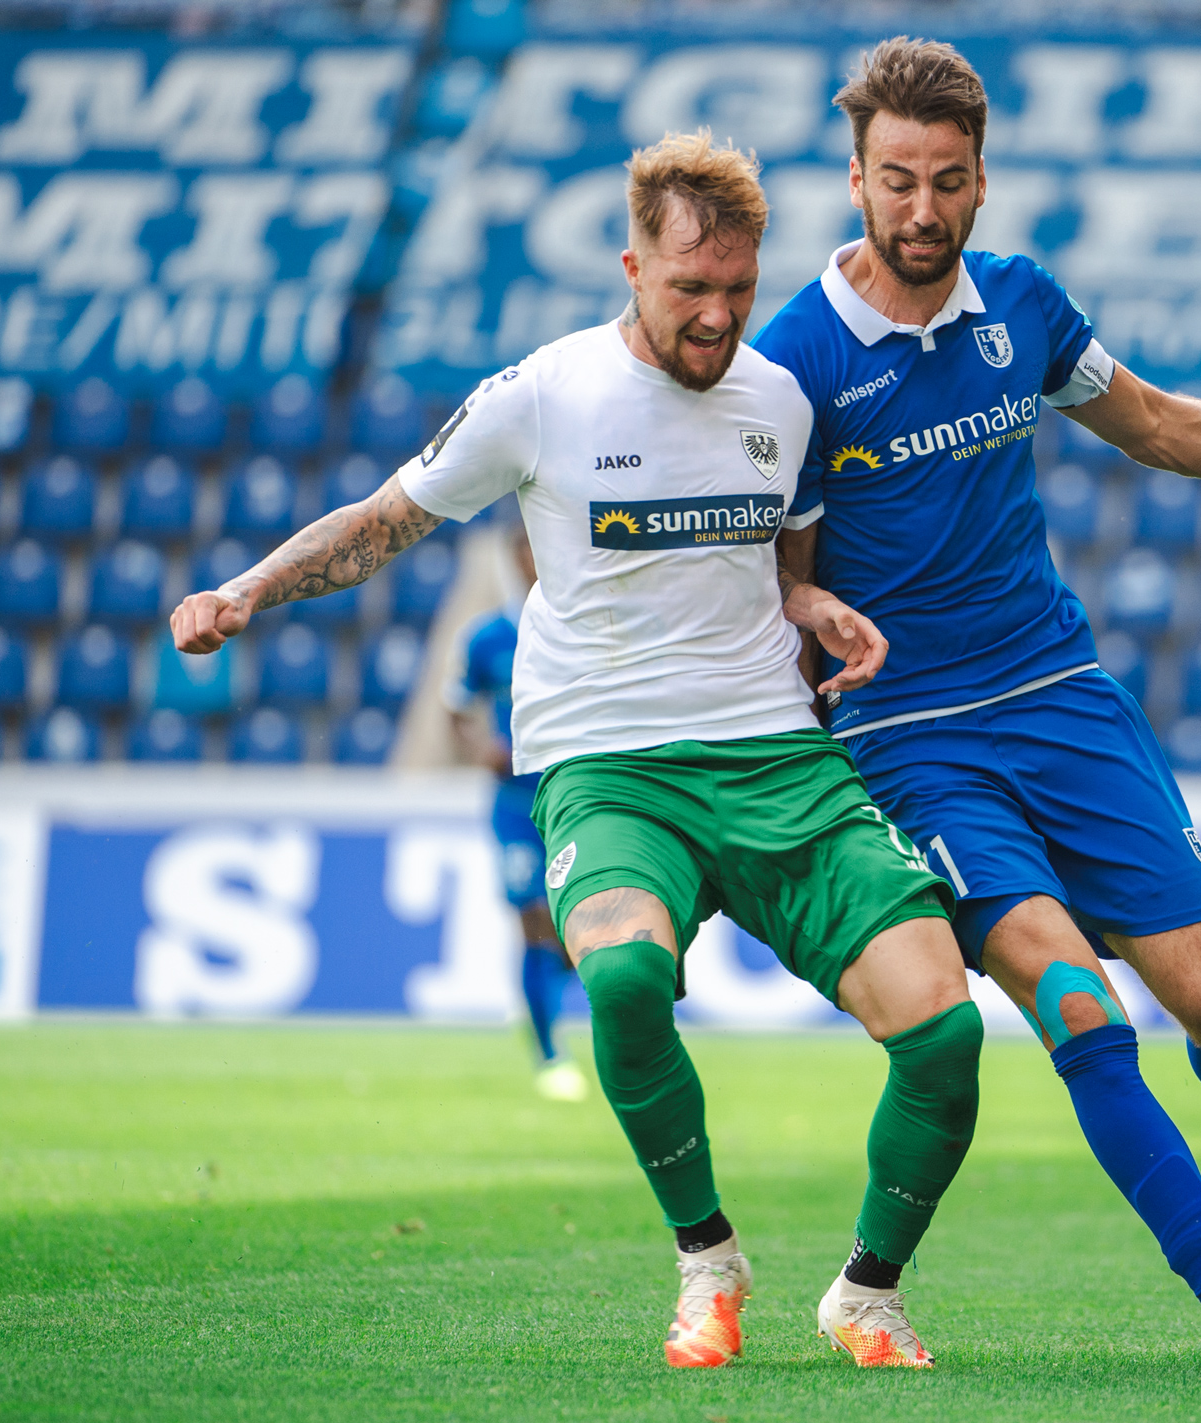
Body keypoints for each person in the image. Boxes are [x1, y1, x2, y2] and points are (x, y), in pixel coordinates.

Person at [170, 130, 984, 1372]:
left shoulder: (780, 399)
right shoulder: (539, 395)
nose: (716, 318)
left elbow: (787, 564)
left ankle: (868, 1291)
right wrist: (246, 589)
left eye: (737, 291)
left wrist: (811, 606)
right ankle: (708, 1261)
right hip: (608, 764)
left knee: (944, 1030)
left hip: (776, 756)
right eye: (688, 290)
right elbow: (384, 521)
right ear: (631, 265)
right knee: (617, 981)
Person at [753, 37, 1201, 1382]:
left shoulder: (1022, 307)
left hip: (1063, 698)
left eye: (947, 182)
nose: (921, 211)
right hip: (914, 742)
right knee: (1079, 1009)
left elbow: (1160, 424)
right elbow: (774, 581)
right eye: (896, 180)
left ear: (982, 182)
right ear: (855, 179)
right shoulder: (797, 367)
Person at [443, 521, 588, 1102]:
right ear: (514, 554)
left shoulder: (581, 630)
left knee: (573, 930)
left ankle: (545, 998)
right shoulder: (488, 637)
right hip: (515, 800)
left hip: (576, 793)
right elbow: (456, 707)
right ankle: (550, 1052)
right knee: (533, 919)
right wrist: (481, 750)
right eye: (525, 546)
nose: (534, 556)